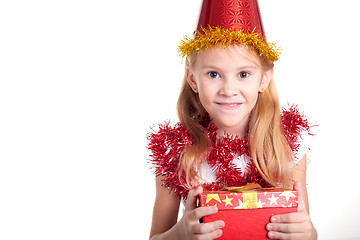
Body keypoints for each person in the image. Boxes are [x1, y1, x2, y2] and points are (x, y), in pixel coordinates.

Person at [147, 0, 317, 239]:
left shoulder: (287, 143)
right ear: (193, 79)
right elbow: (156, 236)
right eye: (214, 74)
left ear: (264, 78)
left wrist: (308, 233)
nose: (228, 89)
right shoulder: (175, 150)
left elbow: (302, 229)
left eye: (243, 74)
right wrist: (179, 234)